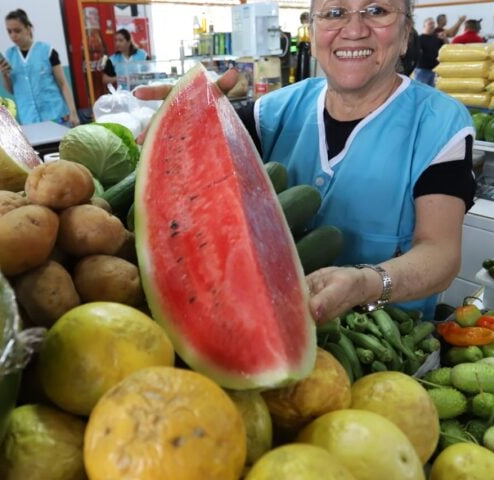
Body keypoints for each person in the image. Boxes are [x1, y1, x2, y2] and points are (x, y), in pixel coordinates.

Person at [136, 0, 476, 323]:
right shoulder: (272, 110)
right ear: (312, 35)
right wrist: (182, 122)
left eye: (376, 10)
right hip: (271, 315)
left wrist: (366, 284)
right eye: (334, 12)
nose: (354, 29)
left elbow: (441, 253)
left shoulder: (440, 122)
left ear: (404, 36)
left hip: (390, 337)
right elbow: (197, 173)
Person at [0, 9, 80, 126]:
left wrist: (73, 112)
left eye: (17, 30)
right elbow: (12, 90)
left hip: (56, 115)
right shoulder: (9, 56)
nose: (13, 35)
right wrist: (3, 74)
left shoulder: (47, 51)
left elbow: (63, 83)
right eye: (9, 31)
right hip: (29, 118)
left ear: (28, 28)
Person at [415, 17, 443, 86]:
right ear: (425, 26)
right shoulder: (419, 39)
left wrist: (444, 39)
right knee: (421, 90)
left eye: (433, 24)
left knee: (432, 92)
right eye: (430, 24)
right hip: (422, 70)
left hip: (435, 70)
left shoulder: (437, 38)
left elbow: (446, 49)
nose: (432, 25)